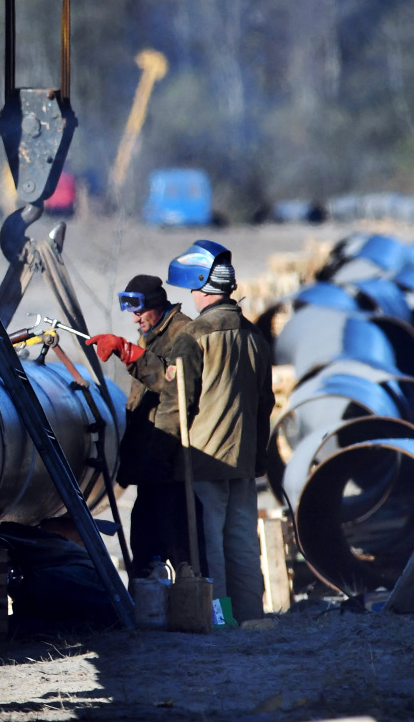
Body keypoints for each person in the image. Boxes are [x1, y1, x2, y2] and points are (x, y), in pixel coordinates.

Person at [162, 239, 274, 623]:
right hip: (243, 462)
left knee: (209, 551)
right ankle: (250, 618)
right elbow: (265, 404)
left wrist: (164, 456)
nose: (191, 297)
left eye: (192, 289)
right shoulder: (255, 336)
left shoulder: (193, 336)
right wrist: (258, 459)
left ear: (202, 287)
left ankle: (220, 620)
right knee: (242, 546)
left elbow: (177, 404)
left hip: (203, 463)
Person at [85, 275, 198, 581]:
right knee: (145, 547)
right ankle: (150, 606)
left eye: (140, 311)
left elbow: (175, 386)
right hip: (152, 465)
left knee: (186, 553)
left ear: (158, 304)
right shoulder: (149, 336)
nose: (135, 319)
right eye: (132, 313)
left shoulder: (182, 333)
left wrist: (130, 354)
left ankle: (207, 608)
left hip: (173, 464)